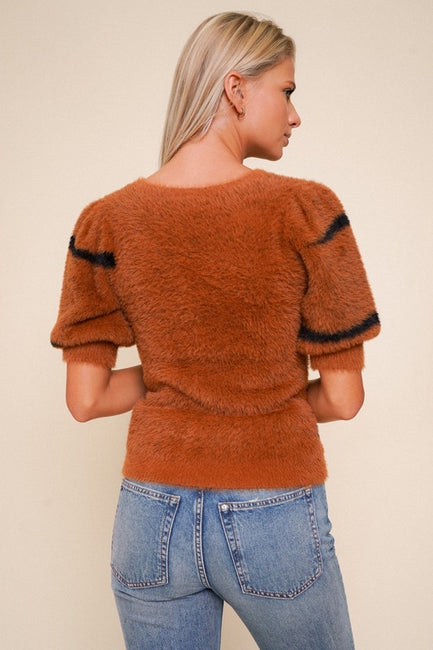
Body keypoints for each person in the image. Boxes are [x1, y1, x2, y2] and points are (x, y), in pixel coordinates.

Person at [51, 11, 380, 650]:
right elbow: (343, 399)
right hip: (272, 511)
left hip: (149, 516)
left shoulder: (105, 221)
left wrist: (179, 376)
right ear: (236, 89)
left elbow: (85, 400)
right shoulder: (306, 210)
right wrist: (249, 389)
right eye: (286, 91)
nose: (295, 114)